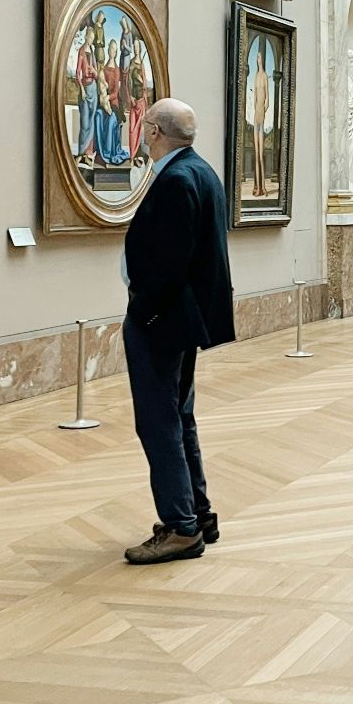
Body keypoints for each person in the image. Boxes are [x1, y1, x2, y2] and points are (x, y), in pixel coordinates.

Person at [120, 99, 236, 565]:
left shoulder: (174, 180)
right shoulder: (201, 171)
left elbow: (168, 265)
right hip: (184, 320)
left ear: (152, 132)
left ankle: (181, 527)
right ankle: (198, 513)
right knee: (180, 416)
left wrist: (143, 313)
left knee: (159, 421)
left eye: (145, 126)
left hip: (163, 322)